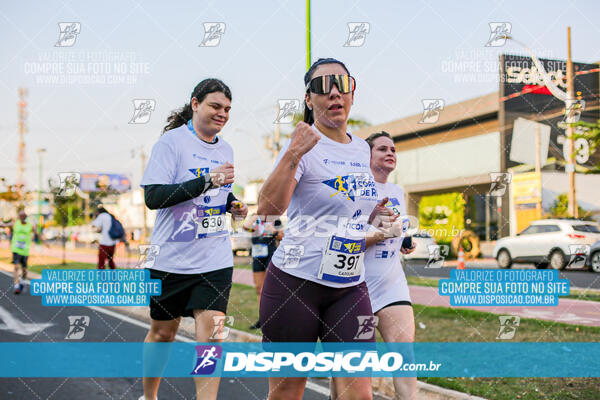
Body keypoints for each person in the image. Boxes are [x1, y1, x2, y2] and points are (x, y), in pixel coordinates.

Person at [257, 58, 393, 400]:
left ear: (352, 93)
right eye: (322, 86)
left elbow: (352, 208)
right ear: (309, 99)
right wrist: (292, 154)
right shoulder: (304, 144)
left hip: (349, 285)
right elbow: (268, 211)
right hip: (295, 283)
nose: (334, 92)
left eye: (342, 84)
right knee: (289, 389)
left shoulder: (363, 149)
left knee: (359, 392)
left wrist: (375, 215)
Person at [139, 78, 247, 400]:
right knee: (161, 334)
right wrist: (207, 180)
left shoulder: (225, 149)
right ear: (195, 104)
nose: (223, 113)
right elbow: (154, 197)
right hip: (170, 259)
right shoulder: (171, 144)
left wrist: (232, 204)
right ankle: (150, 395)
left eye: (227, 109)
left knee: (213, 336)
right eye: (216, 106)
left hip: (214, 260)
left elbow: (216, 192)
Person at [242, 215, 283, 329]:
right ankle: (262, 319)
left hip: (270, 254)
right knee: (259, 289)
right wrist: (254, 217)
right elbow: (245, 227)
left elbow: (281, 236)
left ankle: (274, 318)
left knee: (271, 289)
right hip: (257, 255)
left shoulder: (274, 218)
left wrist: (274, 231)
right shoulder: (255, 219)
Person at [6, 210, 35, 294]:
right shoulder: (15, 223)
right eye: (21, 215)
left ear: (26, 217)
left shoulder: (30, 225)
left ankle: (22, 281)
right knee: (16, 267)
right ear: (19, 216)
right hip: (16, 249)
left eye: (24, 215)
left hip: (25, 250)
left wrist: (45, 243)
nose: (22, 217)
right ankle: (16, 285)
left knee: (25, 270)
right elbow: (4, 225)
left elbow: (37, 233)